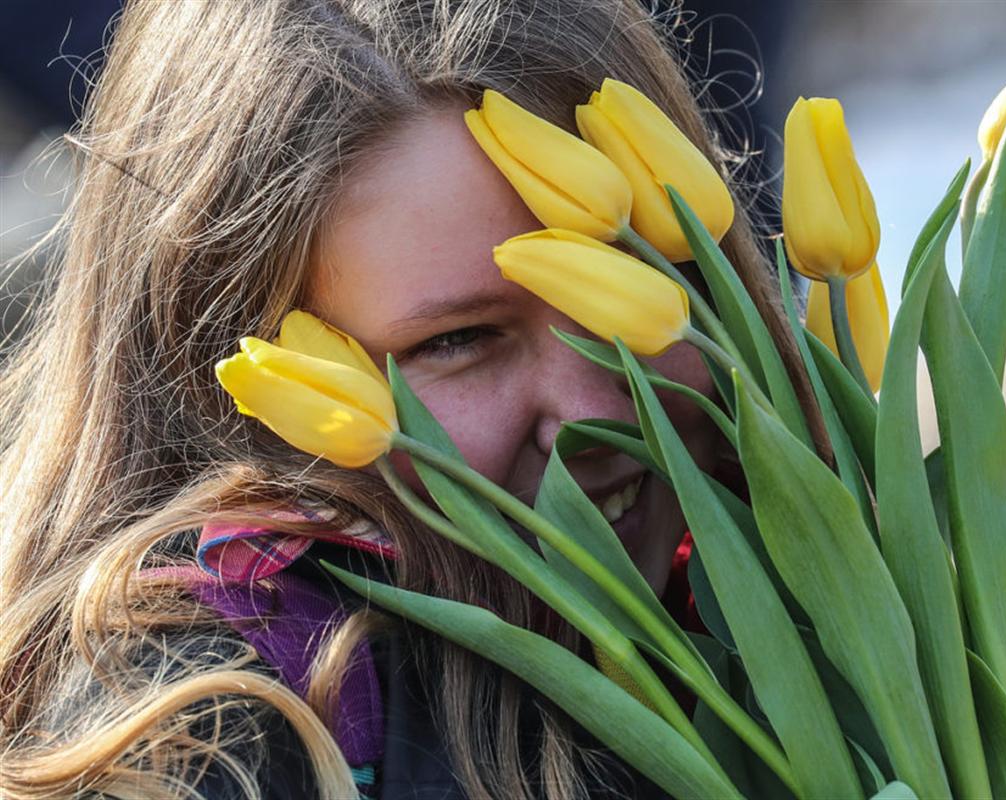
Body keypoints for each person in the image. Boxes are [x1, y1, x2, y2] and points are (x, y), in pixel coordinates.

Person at [0, 1, 808, 798]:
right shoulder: (209, 735)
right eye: (457, 342)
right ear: (231, 384)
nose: (592, 408)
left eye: (627, 293)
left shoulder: (845, 619)